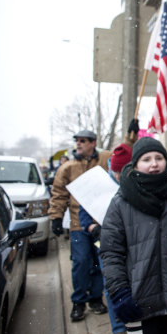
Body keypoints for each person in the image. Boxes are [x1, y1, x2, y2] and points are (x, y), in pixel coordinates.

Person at [100, 137, 167, 334]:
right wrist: (119, 292)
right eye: (146, 159)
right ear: (135, 165)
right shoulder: (121, 202)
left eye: (159, 158)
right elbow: (111, 253)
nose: (154, 164)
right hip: (136, 300)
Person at [79, 142, 142, 334]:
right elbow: (83, 215)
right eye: (116, 171)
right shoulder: (98, 185)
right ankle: (119, 328)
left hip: (134, 244)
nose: (119, 176)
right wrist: (93, 228)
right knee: (112, 283)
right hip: (105, 244)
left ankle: (137, 321)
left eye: (123, 171)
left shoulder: (139, 184)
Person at [48, 129, 111, 322]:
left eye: (83, 141)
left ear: (93, 142)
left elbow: (125, 153)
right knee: (81, 262)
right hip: (77, 225)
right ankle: (79, 301)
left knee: (99, 263)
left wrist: (132, 136)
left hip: (101, 223)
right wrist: (56, 217)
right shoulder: (67, 168)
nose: (79, 144)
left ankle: (95, 298)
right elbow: (58, 193)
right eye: (77, 141)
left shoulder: (104, 160)